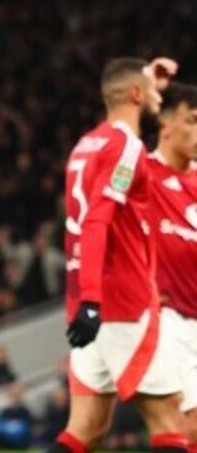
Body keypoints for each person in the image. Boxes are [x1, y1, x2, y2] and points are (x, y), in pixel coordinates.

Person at [50, 57, 187, 453]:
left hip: (85, 300)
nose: (160, 96)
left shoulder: (86, 145)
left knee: (84, 431)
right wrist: (94, 298)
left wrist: (85, 299)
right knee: (171, 423)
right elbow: (97, 222)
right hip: (121, 302)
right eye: (154, 91)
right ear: (136, 94)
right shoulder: (126, 147)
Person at [147, 83, 197, 448]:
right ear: (166, 125)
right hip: (170, 320)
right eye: (191, 121)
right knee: (188, 425)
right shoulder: (142, 175)